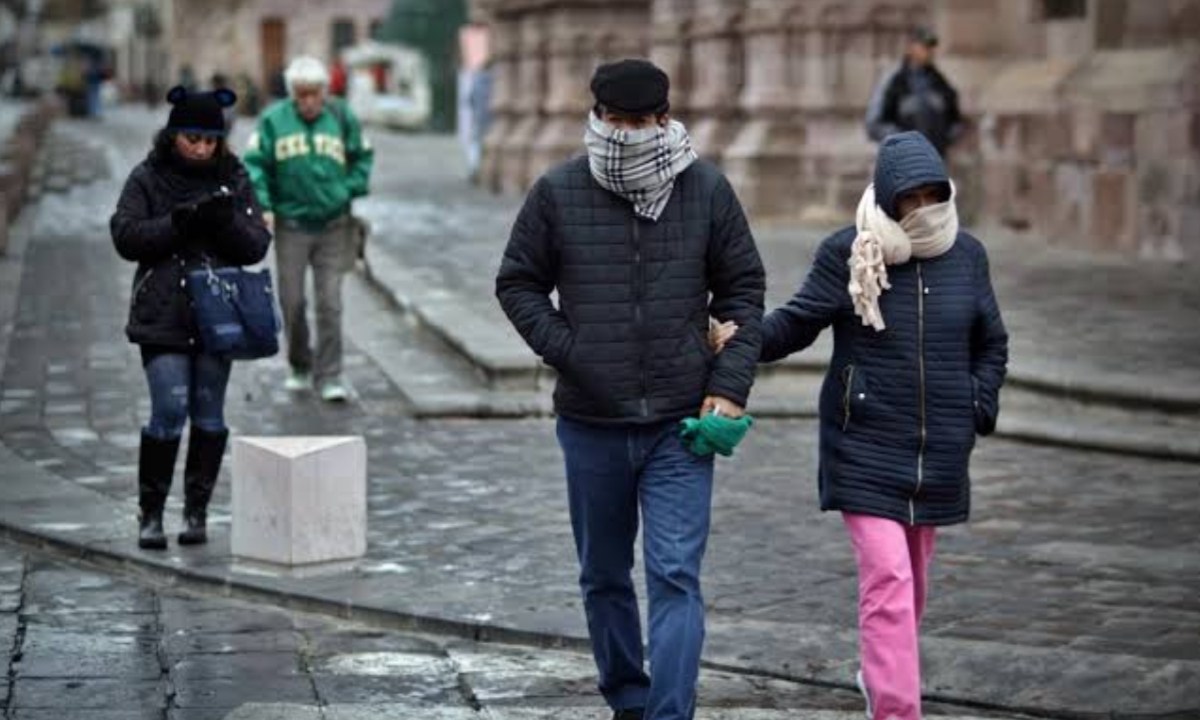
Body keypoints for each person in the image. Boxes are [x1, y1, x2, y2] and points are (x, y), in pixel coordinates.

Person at [495, 59, 765, 720]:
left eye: (640, 123)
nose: (628, 136)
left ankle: (670, 714)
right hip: (591, 421)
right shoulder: (558, 191)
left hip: (682, 424)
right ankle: (627, 698)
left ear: (664, 120)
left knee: (675, 574)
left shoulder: (707, 190)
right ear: (597, 118)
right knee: (605, 577)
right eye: (615, 122)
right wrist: (571, 350)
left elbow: (744, 293)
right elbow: (518, 282)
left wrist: (729, 385)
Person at [754, 131, 1008, 720]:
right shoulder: (850, 251)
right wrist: (736, 342)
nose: (921, 209)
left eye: (931, 195)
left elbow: (991, 342)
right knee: (889, 578)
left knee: (911, 586)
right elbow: (797, 322)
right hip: (864, 442)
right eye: (909, 198)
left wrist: (978, 404)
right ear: (889, 197)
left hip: (940, 448)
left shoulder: (966, 255)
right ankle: (897, 709)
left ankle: (879, 671)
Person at [110, 86, 272, 550]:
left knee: (209, 414)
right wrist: (177, 223)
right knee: (168, 409)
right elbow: (125, 235)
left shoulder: (233, 176)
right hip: (163, 311)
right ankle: (151, 514)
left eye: (210, 140)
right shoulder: (148, 177)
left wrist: (222, 222)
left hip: (217, 314)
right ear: (174, 134)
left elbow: (257, 244)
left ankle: (196, 511)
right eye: (192, 138)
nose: (201, 149)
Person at [243, 56, 374, 401]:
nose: (309, 102)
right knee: (293, 301)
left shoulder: (342, 116)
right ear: (292, 94)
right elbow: (255, 165)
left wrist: (348, 189)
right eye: (301, 95)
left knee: (330, 302)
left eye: (315, 94)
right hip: (292, 226)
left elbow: (363, 156)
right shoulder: (273, 120)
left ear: (324, 92)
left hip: (334, 225)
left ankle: (330, 374)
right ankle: (300, 364)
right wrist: (265, 205)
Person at [865, 26, 963, 157]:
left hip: (933, 162)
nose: (929, 51)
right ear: (911, 48)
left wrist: (944, 140)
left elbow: (955, 120)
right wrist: (902, 142)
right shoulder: (894, 80)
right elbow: (874, 124)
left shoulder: (940, 82)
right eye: (924, 46)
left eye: (931, 47)